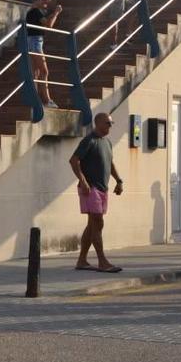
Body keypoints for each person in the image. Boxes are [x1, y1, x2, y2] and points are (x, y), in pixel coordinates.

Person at [70, 113, 123, 273]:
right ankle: (102, 261)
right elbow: (73, 160)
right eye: (107, 123)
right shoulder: (89, 140)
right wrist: (84, 181)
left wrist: (119, 180)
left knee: (92, 225)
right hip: (90, 188)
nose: (110, 126)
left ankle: (82, 260)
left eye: (111, 123)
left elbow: (110, 163)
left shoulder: (107, 142)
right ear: (98, 122)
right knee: (98, 223)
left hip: (102, 188)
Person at [25, 0, 62, 108]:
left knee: (36, 72)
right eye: (45, 1)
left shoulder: (34, 11)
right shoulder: (35, 12)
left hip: (33, 41)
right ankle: (47, 100)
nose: (47, 4)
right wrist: (56, 13)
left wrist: (52, 14)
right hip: (35, 42)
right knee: (44, 71)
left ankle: (35, 99)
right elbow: (48, 25)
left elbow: (46, 23)